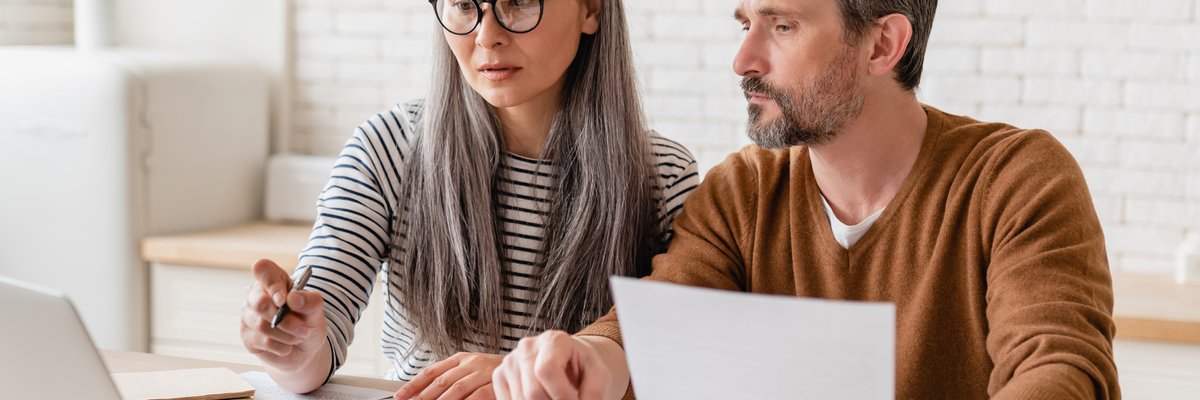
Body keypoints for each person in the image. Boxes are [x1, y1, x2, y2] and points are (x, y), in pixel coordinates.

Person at [493, 0, 1121, 399]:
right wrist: (592, 360)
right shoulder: (742, 191)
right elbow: (660, 321)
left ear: (882, 44)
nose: (743, 59)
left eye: (782, 25)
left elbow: (1061, 369)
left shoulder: (1016, 179)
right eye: (746, 23)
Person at [238, 0, 700, 399]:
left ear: (591, 9)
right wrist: (290, 346)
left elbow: (673, 367)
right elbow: (316, 342)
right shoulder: (388, 148)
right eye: (463, 5)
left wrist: (520, 379)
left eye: (519, 2)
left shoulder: (664, 175)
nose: (487, 35)